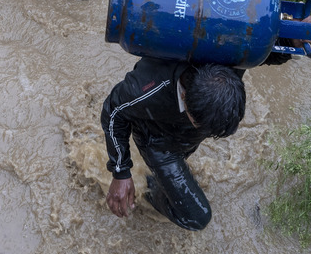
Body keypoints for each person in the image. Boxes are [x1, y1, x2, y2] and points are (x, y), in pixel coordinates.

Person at [101, 57, 247, 231]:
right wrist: (121, 172)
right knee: (196, 217)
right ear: (184, 97)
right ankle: (148, 187)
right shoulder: (147, 89)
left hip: (187, 132)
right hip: (158, 141)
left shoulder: (237, 58)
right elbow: (113, 111)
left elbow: (277, 48)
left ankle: (164, 180)